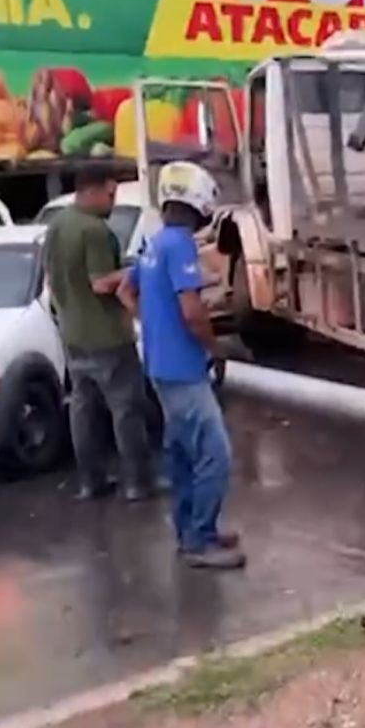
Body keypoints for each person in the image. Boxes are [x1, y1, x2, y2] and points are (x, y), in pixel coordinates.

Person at [119, 161, 245, 570]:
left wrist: (153, 323)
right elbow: (192, 311)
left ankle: (188, 530)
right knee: (215, 455)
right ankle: (200, 539)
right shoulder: (180, 245)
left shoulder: (155, 244)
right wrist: (217, 346)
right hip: (184, 370)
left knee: (183, 455)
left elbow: (125, 290)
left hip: (159, 366)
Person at [44, 163, 155, 501]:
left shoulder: (57, 224)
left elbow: (51, 280)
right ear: (92, 190)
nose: (112, 200)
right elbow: (101, 282)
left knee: (83, 411)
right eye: (110, 193)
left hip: (73, 336)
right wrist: (136, 271)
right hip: (108, 337)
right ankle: (138, 483)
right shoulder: (94, 231)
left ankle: (91, 482)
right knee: (127, 410)